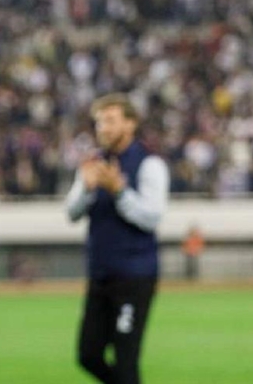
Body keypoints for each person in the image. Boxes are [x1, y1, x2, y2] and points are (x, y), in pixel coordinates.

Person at [65, 93, 170, 384]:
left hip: (134, 277)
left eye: (111, 121)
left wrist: (120, 192)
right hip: (100, 275)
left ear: (130, 124)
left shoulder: (150, 165)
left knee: (126, 360)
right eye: (100, 122)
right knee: (88, 355)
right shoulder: (93, 164)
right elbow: (71, 213)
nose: (103, 128)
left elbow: (152, 217)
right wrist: (87, 189)